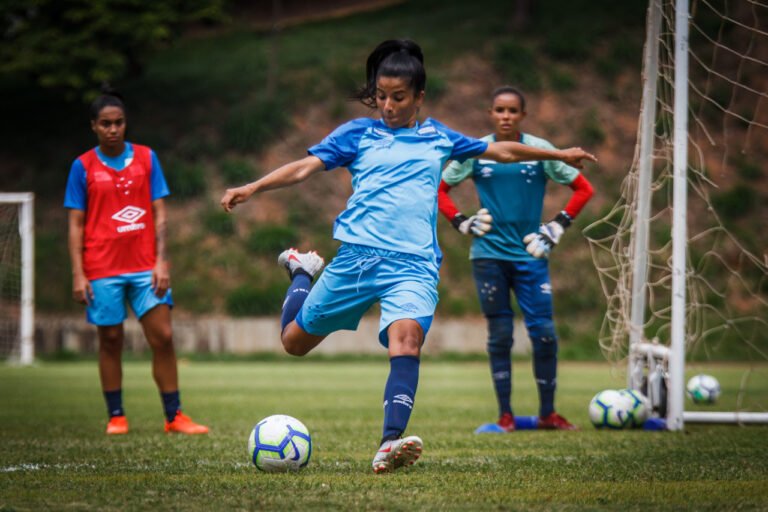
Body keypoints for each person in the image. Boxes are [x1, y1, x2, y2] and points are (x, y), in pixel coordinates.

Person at [220, 41, 595, 473]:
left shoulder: (439, 137)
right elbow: (304, 168)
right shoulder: (357, 134)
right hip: (357, 260)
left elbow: (502, 151)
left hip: (413, 266)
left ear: (418, 96)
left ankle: (389, 443)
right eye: (381, 96)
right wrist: (254, 187)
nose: (388, 105)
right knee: (294, 344)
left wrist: (559, 154)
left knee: (407, 341)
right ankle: (302, 273)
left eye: (398, 97)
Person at [438, 85, 595, 431]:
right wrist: (460, 221)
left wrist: (557, 225)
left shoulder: (540, 150)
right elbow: (438, 188)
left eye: (512, 110)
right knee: (500, 336)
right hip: (488, 257)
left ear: (523, 115)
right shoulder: (476, 150)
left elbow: (584, 189)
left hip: (531, 256)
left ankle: (548, 414)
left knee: (544, 334)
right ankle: (505, 416)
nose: (505, 116)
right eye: (499, 110)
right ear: (490, 113)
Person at [64, 88, 209, 436]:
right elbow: (75, 224)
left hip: (146, 266)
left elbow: (160, 213)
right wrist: (78, 274)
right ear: (94, 127)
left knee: (163, 336)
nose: (113, 129)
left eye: (119, 122)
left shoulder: (146, 158)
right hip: (101, 268)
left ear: (126, 124)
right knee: (110, 340)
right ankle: (116, 416)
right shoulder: (82, 166)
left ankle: (174, 416)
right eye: (105, 124)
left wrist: (161, 261)